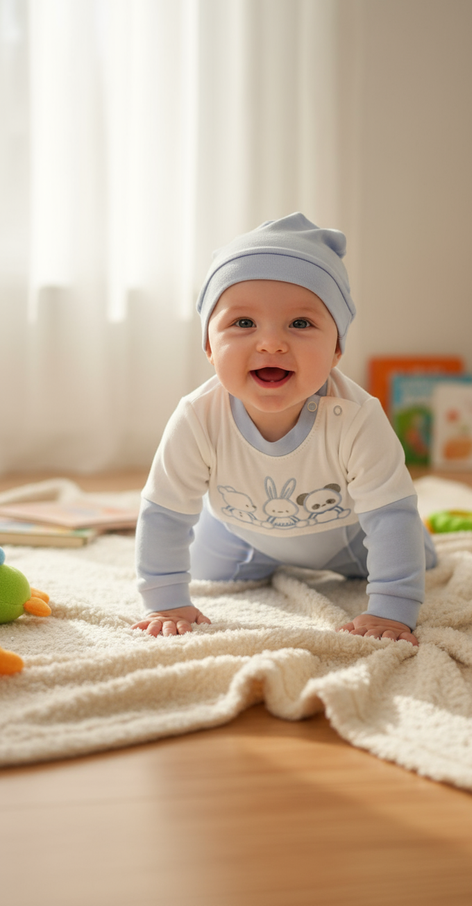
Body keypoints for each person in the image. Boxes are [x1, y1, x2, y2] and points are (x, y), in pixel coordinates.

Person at [132, 213, 437, 645]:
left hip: (343, 540)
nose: (271, 343)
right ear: (208, 347)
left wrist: (392, 609)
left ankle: (416, 552)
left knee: (417, 559)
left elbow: (389, 517)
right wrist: (164, 600)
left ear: (336, 348)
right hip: (237, 532)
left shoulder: (357, 417)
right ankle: (248, 555)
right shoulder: (197, 416)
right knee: (199, 569)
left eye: (300, 324)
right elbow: (164, 511)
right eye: (242, 323)